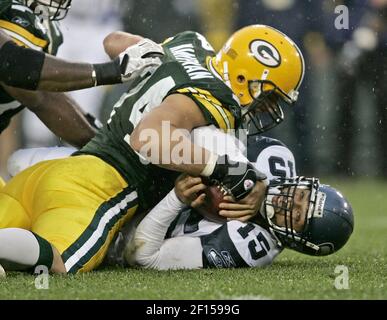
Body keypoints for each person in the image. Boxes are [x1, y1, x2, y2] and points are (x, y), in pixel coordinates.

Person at [0, 24, 304, 275]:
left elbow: (112, 41)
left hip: (57, 170)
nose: (269, 108)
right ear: (243, 78)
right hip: (96, 189)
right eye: (270, 97)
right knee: (61, 260)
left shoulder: (191, 45)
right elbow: (147, 139)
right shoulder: (218, 101)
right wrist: (227, 170)